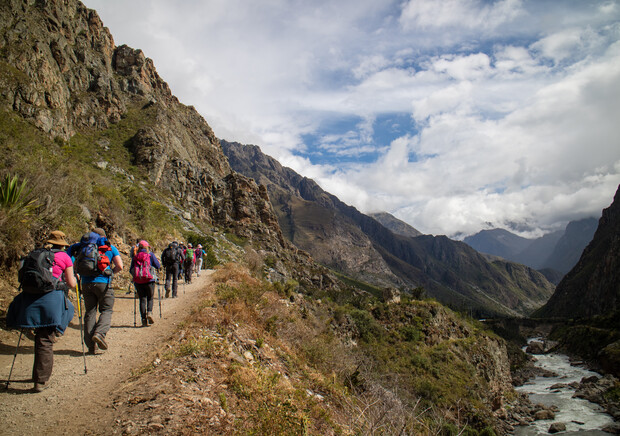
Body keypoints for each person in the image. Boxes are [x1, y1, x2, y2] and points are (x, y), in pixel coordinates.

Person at [7, 230, 76, 392]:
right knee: (45, 339)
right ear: (63, 244)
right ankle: (40, 381)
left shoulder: (35, 254)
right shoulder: (64, 257)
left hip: (29, 299)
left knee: (40, 336)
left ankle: (37, 374)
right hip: (51, 301)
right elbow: (71, 284)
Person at [68, 227, 122, 354]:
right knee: (106, 310)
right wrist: (111, 273)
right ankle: (100, 334)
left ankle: (91, 347)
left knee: (90, 312)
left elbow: (75, 266)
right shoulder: (109, 248)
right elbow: (120, 266)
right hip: (104, 283)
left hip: (86, 284)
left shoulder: (83, 248)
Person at [129, 240, 161, 327]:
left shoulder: (135, 257)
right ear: (147, 247)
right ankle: (149, 312)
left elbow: (131, 270)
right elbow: (158, 266)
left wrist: (136, 276)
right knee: (150, 298)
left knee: (142, 300)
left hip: (138, 281)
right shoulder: (150, 255)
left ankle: (143, 320)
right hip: (149, 281)